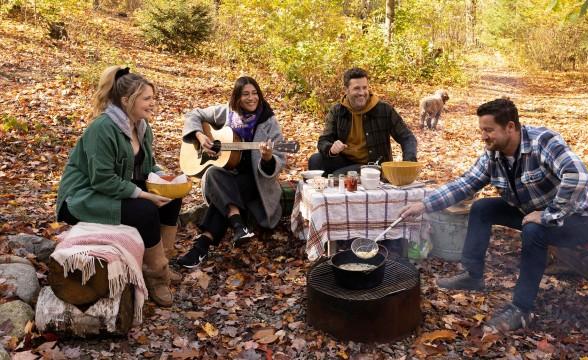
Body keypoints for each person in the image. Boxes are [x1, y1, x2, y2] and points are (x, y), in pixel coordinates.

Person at [400, 98, 588, 331]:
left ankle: (521, 308)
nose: (483, 136)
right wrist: (423, 205)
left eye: (489, 130)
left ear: (510, 127)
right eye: (481, 130)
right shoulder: (494, 155)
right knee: (482, 208)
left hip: (579, 219)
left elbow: (578, 176)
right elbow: (465, 184)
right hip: (529, 211)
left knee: (534, 230)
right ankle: (473, 275)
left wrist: (549, 214)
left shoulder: (542, 141)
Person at [56, 66, 182, 307]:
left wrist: (165, 179)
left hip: (112, 187)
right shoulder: (102, 129)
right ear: (126, 100)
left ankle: (162, 262)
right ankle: (155, 274)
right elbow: (102, 179)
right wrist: (144, 194)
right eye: (147, 99)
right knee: (145, 210)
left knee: (172, 197)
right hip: (83, 196)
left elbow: (148, 166)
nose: (152, 103)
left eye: (152, 98)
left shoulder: (142, 127)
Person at [177, 76, 285, 268]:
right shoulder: (227, 112)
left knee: (223, 195)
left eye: (255, 93)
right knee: (211, 174)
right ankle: (237, 224)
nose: (251, 98)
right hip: (229, 177)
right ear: (237, 97)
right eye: (246, 94)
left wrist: (268, 158)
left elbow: (279, 161)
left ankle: (201, 247)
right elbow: (194, 114)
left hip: (256, 182)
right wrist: (200, 135)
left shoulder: (269, 121)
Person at [308, 67, 417, 175]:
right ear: (346, 90)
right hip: (344, 161)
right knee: (315, 160)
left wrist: (409, 161)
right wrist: (331, 149)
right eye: (356, 88)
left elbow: (407, 137)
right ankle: (319, 191)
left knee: (338, 175)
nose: (362, 92)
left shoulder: (384, 110)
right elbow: (323, 141)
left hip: (373, 165)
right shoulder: (337, 111)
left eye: (365, 88)